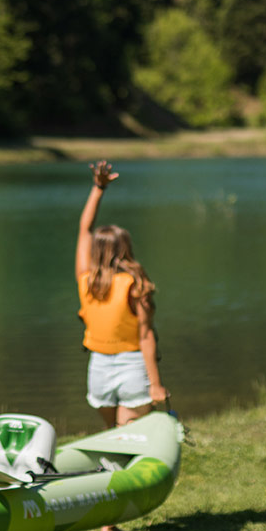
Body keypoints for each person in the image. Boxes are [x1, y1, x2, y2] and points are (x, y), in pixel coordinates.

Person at [75, 159, 168, 437]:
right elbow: (145, 336)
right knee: (127, 435)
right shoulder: (135, 284)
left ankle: (110, 476)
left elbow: (84, 229)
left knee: (111, 434)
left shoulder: (86, 280)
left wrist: (97, 189)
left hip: (99, 366)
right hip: (131, 366)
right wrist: (155, 385)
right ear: (126, 249)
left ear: (96, 251)